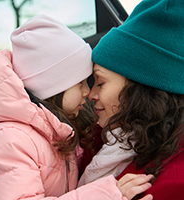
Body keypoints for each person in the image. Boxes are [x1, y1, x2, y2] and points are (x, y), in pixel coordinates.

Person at [0, 14, 153, 200]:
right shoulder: (11, 140)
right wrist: (104, 195)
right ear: (54, 88)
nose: (87, 92)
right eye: (80, 83)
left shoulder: (58, 129)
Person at [78, 0, 184, 199]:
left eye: (100, 82)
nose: (91, 95)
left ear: (139, 91)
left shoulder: (174, 185)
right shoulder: (110, 138)